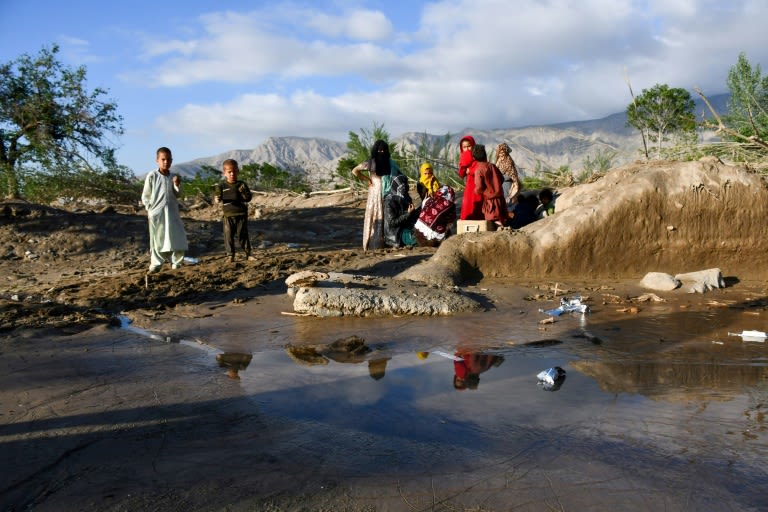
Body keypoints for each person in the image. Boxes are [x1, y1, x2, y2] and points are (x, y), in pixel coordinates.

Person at [141, 146, 188, 272]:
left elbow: (179, 194)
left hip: (172, 212)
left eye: (168, 159)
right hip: (157, 213)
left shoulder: (174, 177)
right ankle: (156, 264)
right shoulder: (152, 176)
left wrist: (177, 185)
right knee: (157, 238)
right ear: (157, 160)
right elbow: (146, 195)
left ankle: (176, 262)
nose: (166, 162)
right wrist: (150, 209)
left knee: (176, 236)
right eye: (163, 159)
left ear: (171, 160)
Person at [352, 139, 401, 251]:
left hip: (388, 193)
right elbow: (355, 171)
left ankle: (387, 242)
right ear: (375, 150)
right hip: (375, 194)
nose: (381, 152)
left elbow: (399, 175)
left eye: (384, 150)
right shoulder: (370, 162)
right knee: (375, 216)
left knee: (387, 216)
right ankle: (374, 244)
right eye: (379, 150)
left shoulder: (391, 163)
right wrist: (367, 179)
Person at [213, 159, 253, 262]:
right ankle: (230, 256)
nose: (232, 174)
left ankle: (249, 254)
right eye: (229, 172)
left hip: (241, 214)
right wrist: (217, 199)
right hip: (228, 215)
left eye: (234, 171)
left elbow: (248, 198)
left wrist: (243, 192)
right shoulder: (221, 186)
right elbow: (217, 197)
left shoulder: (242, 184)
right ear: (224, 173)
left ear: (238, 171)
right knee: (228, 236)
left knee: (243, 235)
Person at [472, 144, 509, 227]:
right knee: (501, 218)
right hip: (500, 198)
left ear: (474, 158)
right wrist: (496, 186)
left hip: (490, 201)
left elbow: (479, 188)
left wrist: (478, 191)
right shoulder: (492, 166)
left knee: (493, 221)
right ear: (485, 155)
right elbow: (502, 179)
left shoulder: (478, 170)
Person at [383, 174, 419, 248]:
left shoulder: (406, 197)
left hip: (407, 227)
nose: (405, 187)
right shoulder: (389, 201)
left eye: (405, 184)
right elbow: (393, 222)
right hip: (397, 234)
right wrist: (408, 214)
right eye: (402, 185)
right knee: (418, 239)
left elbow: (412, 216)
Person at [457, 135, 483, 220]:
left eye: (469, 146)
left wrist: (470, 170)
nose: (467, 149)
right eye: (464, 147)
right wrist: (464, 165)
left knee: (478, 204)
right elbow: (461, 174)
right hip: (469, 187)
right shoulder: (463, 157)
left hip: (478, 185)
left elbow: (482, 168)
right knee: (469, 206)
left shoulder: (478, 156)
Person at [495, 142, 521, 209]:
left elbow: (513, 176)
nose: (502, 154)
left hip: (507, 185)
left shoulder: (509, 161)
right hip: (500, 185)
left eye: (503, 152)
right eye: (500, 152)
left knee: (508, 203)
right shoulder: (498, 161)